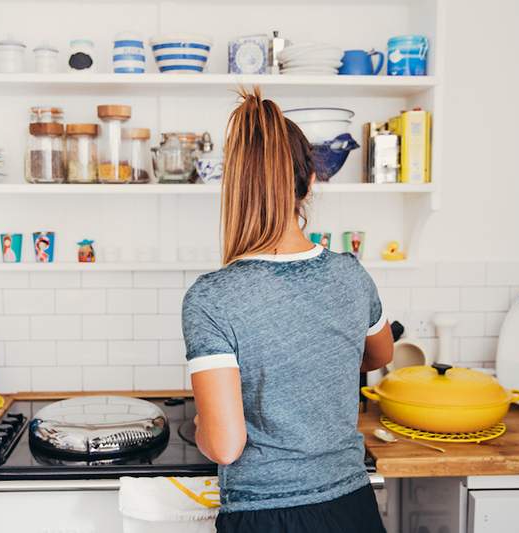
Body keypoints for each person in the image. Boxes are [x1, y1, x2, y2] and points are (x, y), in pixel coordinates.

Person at [182, 88, 394, 533]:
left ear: (233, 189)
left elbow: (224, 446)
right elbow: (382, 354)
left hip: (266, 517)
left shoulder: (212, 296)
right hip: (353, 507)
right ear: (311, 182)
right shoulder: (350, 275)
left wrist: (203, 422)